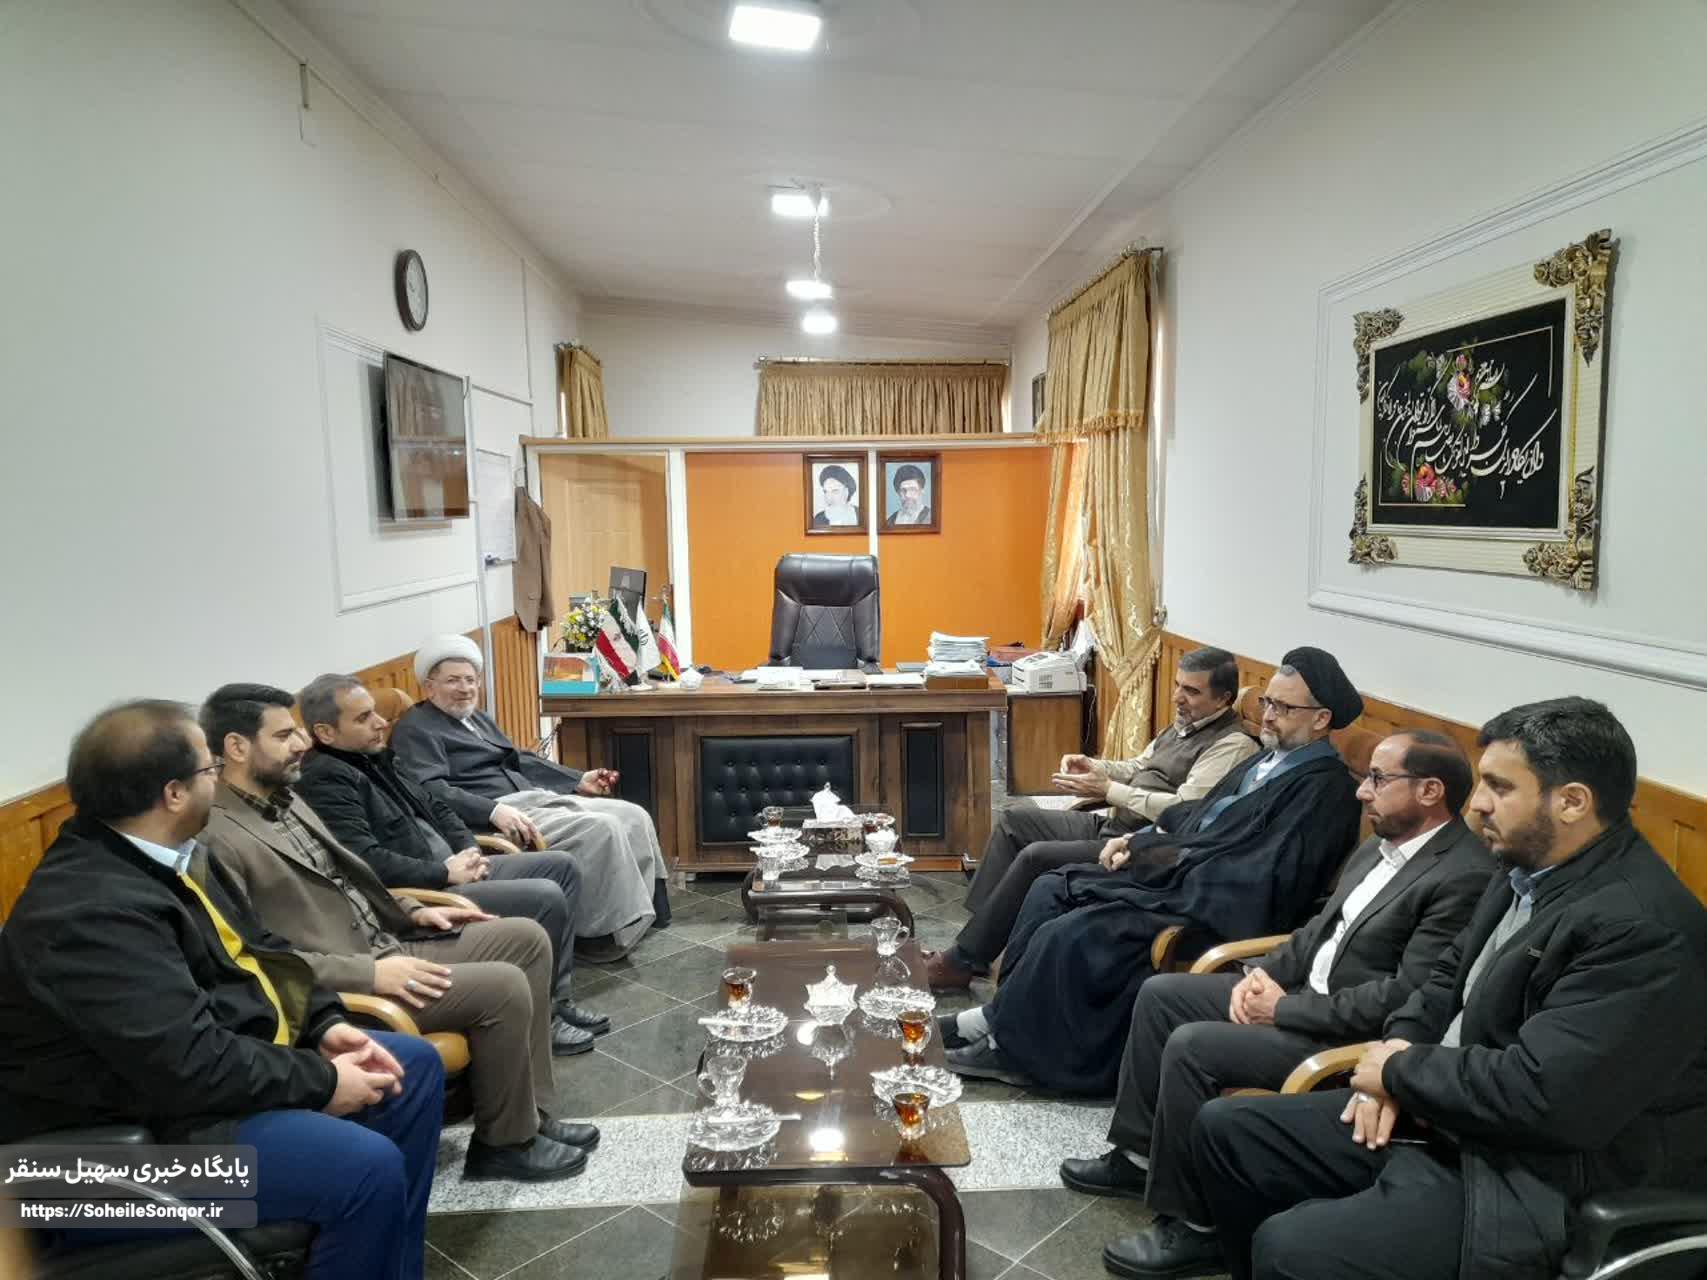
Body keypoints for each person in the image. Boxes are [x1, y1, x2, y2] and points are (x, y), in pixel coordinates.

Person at [1192, 697, 1707, 1280]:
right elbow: (1442, 983)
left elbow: (1544, 1095)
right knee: (1229, 1130)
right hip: (1451, 1112)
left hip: (1535, 1177)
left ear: (1571, 802)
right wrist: (1395, 1059)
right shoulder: (1523, 871)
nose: (1477, 802)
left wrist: (1398, 1073)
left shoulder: (1642, 929)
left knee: (1292, 1248)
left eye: (1499, 787)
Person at [0, 700, 446, 1280]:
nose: (218, 780)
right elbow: (189, 1064)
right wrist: (323, 1080)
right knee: (363, 1168)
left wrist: (324, 1024)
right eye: (209, 769)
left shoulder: (171, 857)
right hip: (97, 1171)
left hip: (179, 1107)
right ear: (173, 794)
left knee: (410, 1067)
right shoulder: (88, 914)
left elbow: (263, 952)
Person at [1064, 730, 1491, 1279]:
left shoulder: (1463, 875)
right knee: (1163, 995)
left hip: (1343, 1033)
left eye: (1378, 779)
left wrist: (1282, 1010)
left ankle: (1198, 1226)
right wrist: (1261, 975)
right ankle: (1139, 1156)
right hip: (1298, 995)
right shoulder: (1379, 845)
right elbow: (1317, 930)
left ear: (1430, 790)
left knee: (1194, 1046)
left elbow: (1404, 994)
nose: (1362, 791)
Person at [196, 684, 595, 1183]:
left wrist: (412, 910)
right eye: (283, 735)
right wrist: (370, 973)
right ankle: (504, 1144)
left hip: (387, 937)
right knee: (504, 985)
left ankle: (530, 1114)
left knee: (526, 939)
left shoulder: (285, 798)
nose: (300, 743)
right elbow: (254, 958)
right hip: (348, 979)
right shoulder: (216, 837)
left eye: (296, 730)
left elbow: (350, 875)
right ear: (236, 747)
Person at [942, 648, 1366, 1095]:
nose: (1269, 715)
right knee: (1050, 886)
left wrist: (1162, 860)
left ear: (1321, 719)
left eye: (1283, 707)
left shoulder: (1326, 791)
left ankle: (1020, 1051)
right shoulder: (1264, 761)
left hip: (1215, 903)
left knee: (1069, 931)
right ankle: (1000, 1020)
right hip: (1184, 872)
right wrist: (1140, 840)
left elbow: (1266, 874)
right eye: (1267, 702)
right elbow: (1196, 814)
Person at [294, 672, 610, 1048]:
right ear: (326, 733)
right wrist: (444, 873)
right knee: (545, 896)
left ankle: (557, 999)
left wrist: (469, 850)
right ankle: (546, 1022)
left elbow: (438, 806)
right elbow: (367, 862)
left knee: (561, 866)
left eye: (376, 712)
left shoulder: (377, 756)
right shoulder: (325, 780)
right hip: (425, 889)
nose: (380, 723)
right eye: (363, 718)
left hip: (457, 865)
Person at [925, 646, 1257, 990]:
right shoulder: (1185, 725)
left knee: (1036, 856)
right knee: (1015, 822)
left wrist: (1109, 789)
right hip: (1114, 823)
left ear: (1223, 699)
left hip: (1139, 847)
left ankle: (963, 960)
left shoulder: (1232, 745)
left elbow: (1184, 809)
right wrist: (1095, 766)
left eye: (1191, 691)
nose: (1177, 697)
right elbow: (1140, 767)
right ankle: (977, 943)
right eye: (1177, 685)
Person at [390, 634, 670, 959]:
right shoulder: (416, 729)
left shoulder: (475, 718)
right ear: (429, 687)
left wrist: (578, 779)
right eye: (453, 681)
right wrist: (492, 811)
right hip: (497, 815)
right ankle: (598, 934)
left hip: (529, 797)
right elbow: (430, 790)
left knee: (633, 814)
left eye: (470, 680)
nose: (465, 688)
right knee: (601, 828)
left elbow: (518, 758)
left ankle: (643, 912)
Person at [810, 463, 862, 527]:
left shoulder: (861, 514)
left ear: (846, 492)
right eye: (825, 492)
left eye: (835, 491)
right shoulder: (819, 519)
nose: (829, 498)